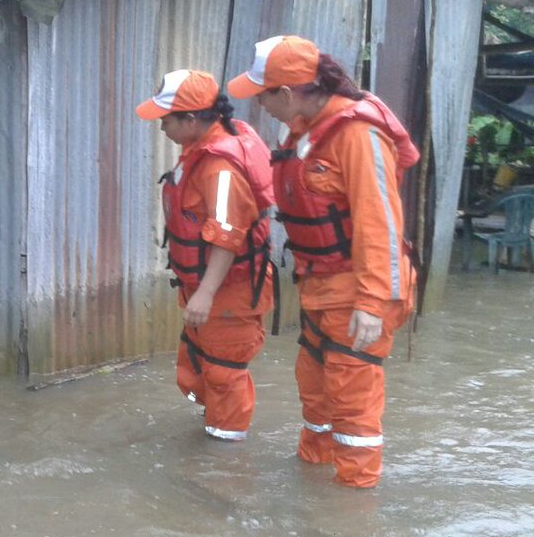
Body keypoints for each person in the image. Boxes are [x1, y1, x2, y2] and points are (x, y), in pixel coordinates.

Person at [227, 35, 418, 488]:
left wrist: (373, 303)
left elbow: (382, 225)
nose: (260, 105)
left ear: (287, 93)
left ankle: (352, 511)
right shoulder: (303, 133)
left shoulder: (357, 134)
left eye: (262, 95)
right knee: (314, 391)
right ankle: (313, 482)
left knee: (352, 405)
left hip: (359, 294)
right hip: (321, 289)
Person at [136, 69, 276, 442]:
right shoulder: (199, 149)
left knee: (225, 376)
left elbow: (229, 233)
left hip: (229, 293)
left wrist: (206, 293)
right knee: (200, 370)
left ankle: (224, 470)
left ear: (193, 118)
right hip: (207, 289)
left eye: (167, 118)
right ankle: (210, 444)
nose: (162, 125)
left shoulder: (220, 165)